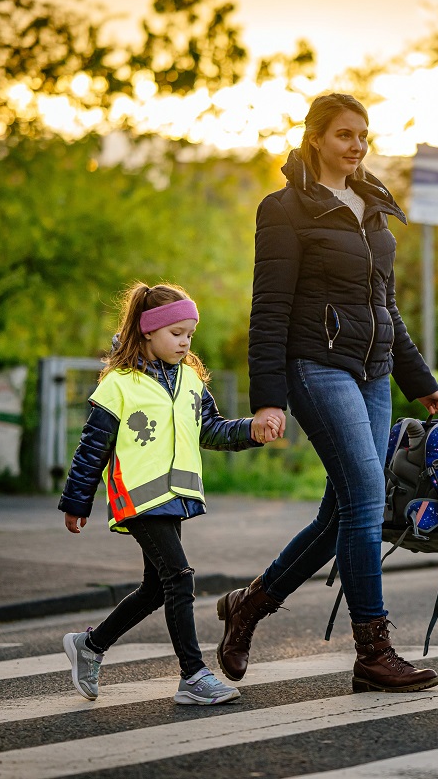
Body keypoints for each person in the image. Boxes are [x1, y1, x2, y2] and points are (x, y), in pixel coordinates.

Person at [216, 93, 438, 693]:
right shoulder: (286, 210)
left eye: (364, 136)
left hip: (372, 372)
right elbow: (268, 309)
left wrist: (419, 382)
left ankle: (248, 606)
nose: (357, 146)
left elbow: (385, 308)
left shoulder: (373, 209)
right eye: (345, 134)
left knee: (341, 513)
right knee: (368, 494)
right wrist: (268, 398)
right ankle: (373, 653)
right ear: (316, 137)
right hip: (315, 366)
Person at [59, 282, 261, 705]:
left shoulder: (190, 380)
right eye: (176, 333)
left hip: (175, 496)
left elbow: (212, 430)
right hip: (137, 498)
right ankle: (193, 676)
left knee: (156, 589)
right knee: (179, 578)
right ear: (148, 331)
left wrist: (252, 430)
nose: (185, 342)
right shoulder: (119, 383)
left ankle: (89, 646)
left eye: (190, 334)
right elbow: (92, 446)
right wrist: (78, 500)